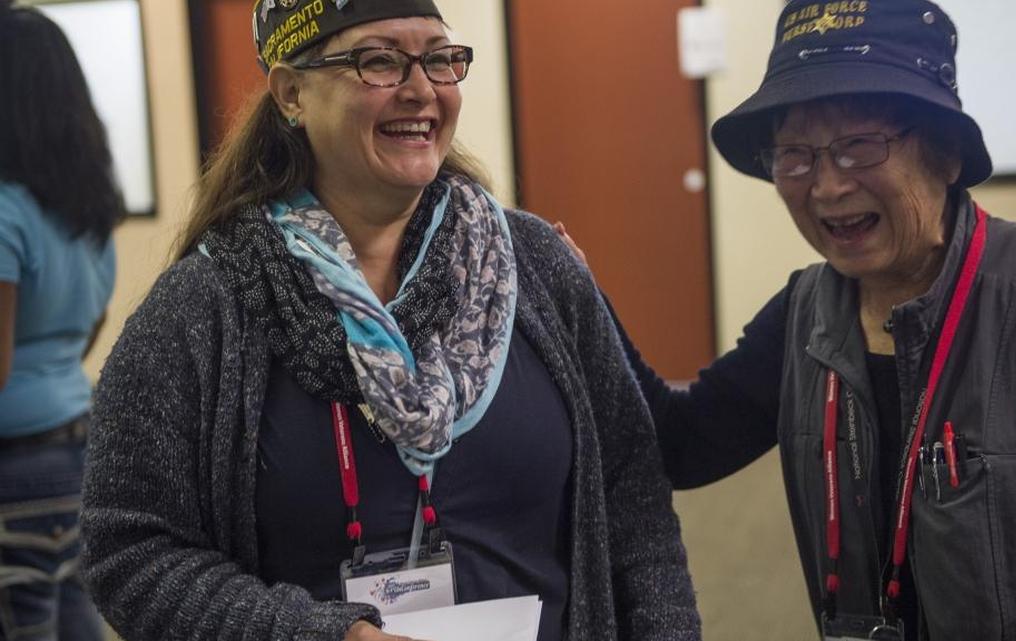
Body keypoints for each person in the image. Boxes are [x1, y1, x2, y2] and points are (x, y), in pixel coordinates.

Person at [80, 2, 700, 641]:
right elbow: (130, 550)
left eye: (439, 59)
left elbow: (635, 500)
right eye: (379, 61)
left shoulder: (535, 266)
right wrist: (317, 634)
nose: (422, 89)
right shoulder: (205, 306)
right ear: (292, 92)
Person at [559, 1, 1016, 639]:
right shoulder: (805, 316)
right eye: (796, 156)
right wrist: (582, 300)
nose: (827, 186)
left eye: (860, 146)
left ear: (947, 154)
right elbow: (680, 444)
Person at [0, 2, 122, 640]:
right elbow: (89, 327)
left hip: (14, 468)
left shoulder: (4, 211)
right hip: (80, 447)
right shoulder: (88, 203)